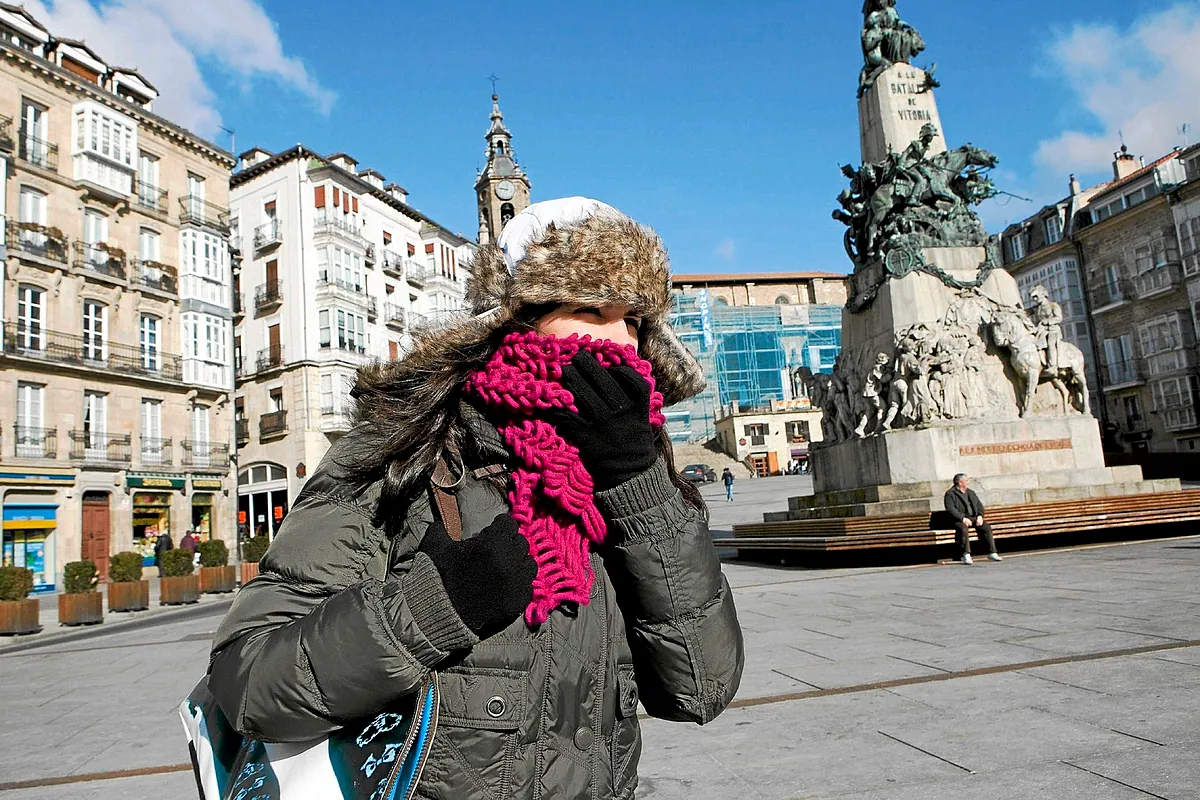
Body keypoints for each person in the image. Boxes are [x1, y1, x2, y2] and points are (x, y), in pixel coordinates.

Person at [206, 198, 745, 799]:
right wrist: (432, 606)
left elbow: (701, 686)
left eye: (633, 319)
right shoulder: (408, 443)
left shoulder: (636, 463)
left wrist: (639, 489)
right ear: (517, 319)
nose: (617, 339)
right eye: (589, 309)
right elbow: (247, 682)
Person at [944, 473, 1002, 565]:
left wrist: (980, 516)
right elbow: (951, 509)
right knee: (963, 529)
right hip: (959, 519)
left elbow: (979, 506)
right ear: (960, 482)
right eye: (966, 480)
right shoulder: (950, 494)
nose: (968, 482)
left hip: (973, 517)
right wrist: (962, 518)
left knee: (986, 527)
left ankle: (992, 552)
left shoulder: (970, 492)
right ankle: (966, 554)